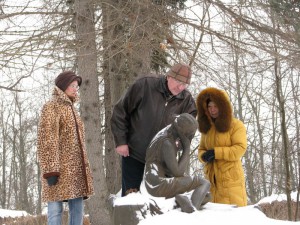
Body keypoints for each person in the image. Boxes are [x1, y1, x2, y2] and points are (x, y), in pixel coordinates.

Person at [111, 63, 197, 196]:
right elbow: (120, 112)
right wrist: (121, 141)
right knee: (131, 199)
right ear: (169, 76)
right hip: (135, 154)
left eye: (185, 84)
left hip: (162, 162)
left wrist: (178, 145)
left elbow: (189, 130)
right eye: (179, 82)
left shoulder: (187, 101)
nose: (181, 87)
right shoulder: (145, 85)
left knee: (159, 204)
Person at [37, 71, 94, 225]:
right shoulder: (51, 107)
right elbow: (47, 139)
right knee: (55, 210)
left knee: (78, 211)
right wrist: (50, 170)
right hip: (58, 170)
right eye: (72, 85)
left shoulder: (73, 109)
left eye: (77, 86)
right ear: (63, 86)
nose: (76, 89)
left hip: (75, 172)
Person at [144, 113, 211, 213]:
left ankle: (181, 200)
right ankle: (191, 212)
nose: (191, 137)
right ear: (183, 134)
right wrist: (186, 148)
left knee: (206, 196)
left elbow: (167, 165)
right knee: (204, 183)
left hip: (157, 180)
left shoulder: (167, 132)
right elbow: (177, 173)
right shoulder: (167, 143)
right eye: (190, 135)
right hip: (158, 184)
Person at [196, 87, 247, 207]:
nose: (212, 110)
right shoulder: (207, 128)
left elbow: (240, 149)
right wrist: (203, 156)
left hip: (231, 182)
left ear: (223, 106)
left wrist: (216, 153)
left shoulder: (236, 125)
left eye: (216, 106)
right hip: (211, 182)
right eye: (209, 107)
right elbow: (201, 149)